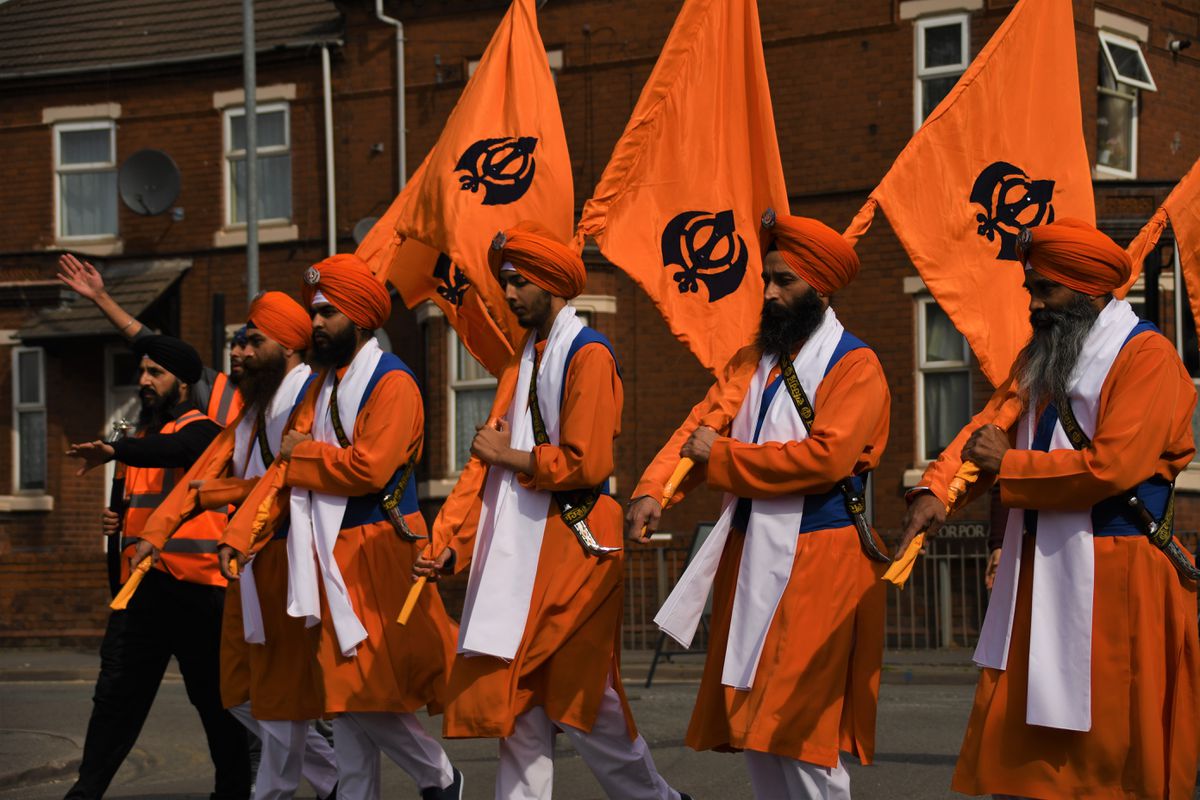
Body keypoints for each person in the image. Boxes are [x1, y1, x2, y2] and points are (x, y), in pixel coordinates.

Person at [901, 218, 1200, 799]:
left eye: (1045, 290)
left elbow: (1112, 467)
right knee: (1026, 753)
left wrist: (1009, 467)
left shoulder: (1150, 359)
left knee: (1109, 754)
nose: (1033, 303)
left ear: (1088, 293)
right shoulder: (1043, 353)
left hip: (1120, 571)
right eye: (1030, 289)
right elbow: (990, 424)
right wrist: (940, 489)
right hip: (1038, 569)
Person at [413, 222, 688, 800]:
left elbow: (587, 462)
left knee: (585, 701)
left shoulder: (589, 354)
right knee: (519, 702)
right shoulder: (525, 360)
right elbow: (480, 472)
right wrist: (452, 542)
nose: (508, 295)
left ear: (552, 285)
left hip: (576, 547)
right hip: (525, 553)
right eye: (505, 283)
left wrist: (508, 454)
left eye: (518, 282)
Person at [626, 211, 891, 799]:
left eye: (784, 282)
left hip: (820, 558)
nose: (769, 293)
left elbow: (825, 459)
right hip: (754, 553)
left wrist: (722, 459)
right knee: (757, 727)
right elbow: (701, 425)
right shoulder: (752, 361)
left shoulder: (857, 365)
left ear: (819, 288)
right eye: (767, 279)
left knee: (797, 727)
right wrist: (655, 489)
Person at [222, 254, 462, 800]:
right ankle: (422, 782)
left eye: (328, 312)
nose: (316, 324)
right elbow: (285, 470)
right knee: (344, 692)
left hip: (379, 544)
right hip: (330, 550)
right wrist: (241, 537)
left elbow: (369, 469)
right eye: (314, 312)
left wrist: (305, 454)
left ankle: (439, 777)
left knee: (357, 689)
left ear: (360, 317)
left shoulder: (392, 383)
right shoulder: (323, 384)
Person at [137, 293, 338, 800]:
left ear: (289, 346)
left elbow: (286, 482)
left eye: (252, 342)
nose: (239, 353)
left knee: (280, 698)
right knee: (239, 694)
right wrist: (154, 534)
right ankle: (334, 777)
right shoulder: (251, 410)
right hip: (247, 564)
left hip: (293, 563)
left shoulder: (309, 401)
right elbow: (201, 478)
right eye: (238, 342)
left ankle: (284, 791)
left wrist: (228, 507)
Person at [64, 335, 250, 800]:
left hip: (198, 592)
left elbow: (179, 452)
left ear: (183, 383)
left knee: (215, 705)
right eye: (142, 372)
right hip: (142, 595)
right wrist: (119, 522)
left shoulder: (205, 432)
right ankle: (85, 793)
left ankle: (232, 792)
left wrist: (115, 450)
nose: (144, 381)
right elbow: (135, 508)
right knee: (114, 701)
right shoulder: (139, 440)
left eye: (156, 373)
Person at [57, 253, 242, 426]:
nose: (143, 381)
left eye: (155, 372)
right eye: (234, 346)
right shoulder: (156, 425)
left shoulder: (234, 400)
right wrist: (100, 297)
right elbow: (145, 339)